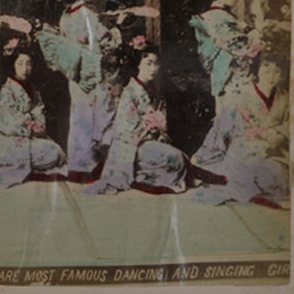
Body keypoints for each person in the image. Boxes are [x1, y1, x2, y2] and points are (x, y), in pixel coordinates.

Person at [85, 42, 226, 195]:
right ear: (138, 64)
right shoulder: (130, 92)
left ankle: (151, 173)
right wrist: (149, 128)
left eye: (156, 64)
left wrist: (159, 127)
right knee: (175, 158)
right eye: (148, 63)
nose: (153, 69)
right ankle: (141, 175)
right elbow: (125, 129)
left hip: (150, 141)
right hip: (132, 147)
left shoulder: (153, 91)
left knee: (178, 157)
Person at [38, 0, 122, 183]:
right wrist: (116, 29)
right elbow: (107, 42)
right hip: (93, 72)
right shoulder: (87, 16)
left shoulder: (66, 16)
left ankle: (78, 166)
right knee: (97, 116)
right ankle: (94, 166)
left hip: (77, 74)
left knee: (80, 117)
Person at [191, 53, 289, 209]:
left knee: (277, 177)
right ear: (257, 71)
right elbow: (238, 124)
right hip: (247, 147)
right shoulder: (244, 94)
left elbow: (290, 122)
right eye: (266, 71)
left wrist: (279, 134)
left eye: (276, 72)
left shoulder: (285, 98)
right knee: (249, 175)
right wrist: (260, 133)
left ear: (281, 74)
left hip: (274, 150)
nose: (271, 76)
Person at [0, 47, 67, 188]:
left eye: (29, 64)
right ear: (13, 65)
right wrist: (29, 122)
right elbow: (6, 122)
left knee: (55, 151)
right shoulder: (7, 90)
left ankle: (32, 165)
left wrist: (36, 124)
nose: (25, 69)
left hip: (32, 138)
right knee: (53, 152)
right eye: (20, 64)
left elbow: (39, 113)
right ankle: (16, 164)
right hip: (12, 141)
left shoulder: (33, 89)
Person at [189, 0, 261, 112]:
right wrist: (258, 36)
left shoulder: (220, 16)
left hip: (227, 74)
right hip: (230, 77)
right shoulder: (216, 18)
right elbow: (239, 48)